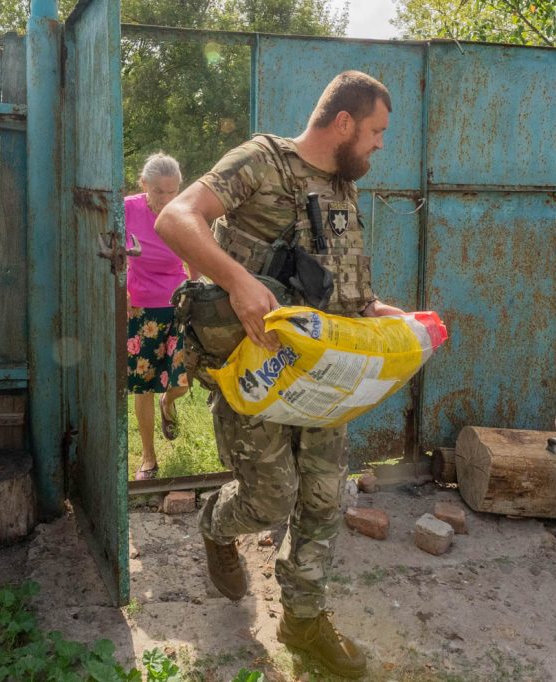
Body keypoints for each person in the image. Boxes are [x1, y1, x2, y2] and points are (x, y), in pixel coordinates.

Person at [155, 71, 402, 679]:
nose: (378, 145)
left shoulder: (343, 186)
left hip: (324, 375)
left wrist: (376, 312)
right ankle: (217, 521)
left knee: (321, 498)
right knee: (269, 498)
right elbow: (176, 218)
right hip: (257, 369)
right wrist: (237, 282)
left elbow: (330, 278)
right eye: (374, 131)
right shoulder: (261, 161)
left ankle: (304, 619)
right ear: (343, 122)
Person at [125, 152, 190, 480]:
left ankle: (170, 402)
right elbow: (110, 249)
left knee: (184, 377)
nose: (166, 199)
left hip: (178, 304)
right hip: (142, 307)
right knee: (142, 385)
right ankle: (149, 458)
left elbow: (196, 256)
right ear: (144, 186)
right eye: (159, 191)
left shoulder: (184, 213)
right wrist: (120, 290)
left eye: (172, 191)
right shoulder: (126, 209)